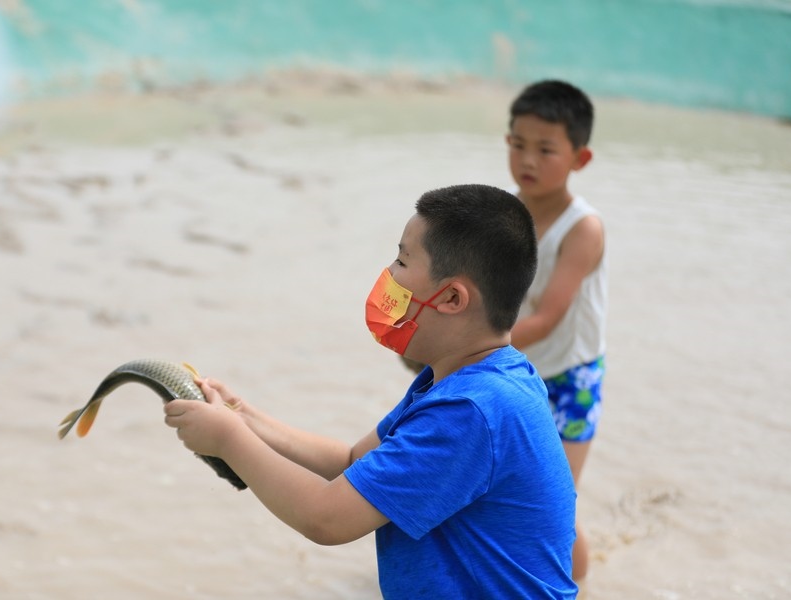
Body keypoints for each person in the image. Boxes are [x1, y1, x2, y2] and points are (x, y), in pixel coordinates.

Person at [163, 184, 579, 599]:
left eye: (402, 260)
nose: (389, 274)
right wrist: (242, 417)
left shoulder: (470, 411)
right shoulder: (475, 379)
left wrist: (227, 438)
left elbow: (325, 518)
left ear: (452, 297)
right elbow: (352, 461)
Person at [506, 80, 607, 582]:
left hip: (570, 378)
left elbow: (547, 320)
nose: (528, 159)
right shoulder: (503, 215)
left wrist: (466, 349)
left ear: (579, 158)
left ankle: (579, 589)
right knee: (501, 494)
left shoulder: (582, 229)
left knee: (556, 504)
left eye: (545, 149)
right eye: (517, 143)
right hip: (515, 368)